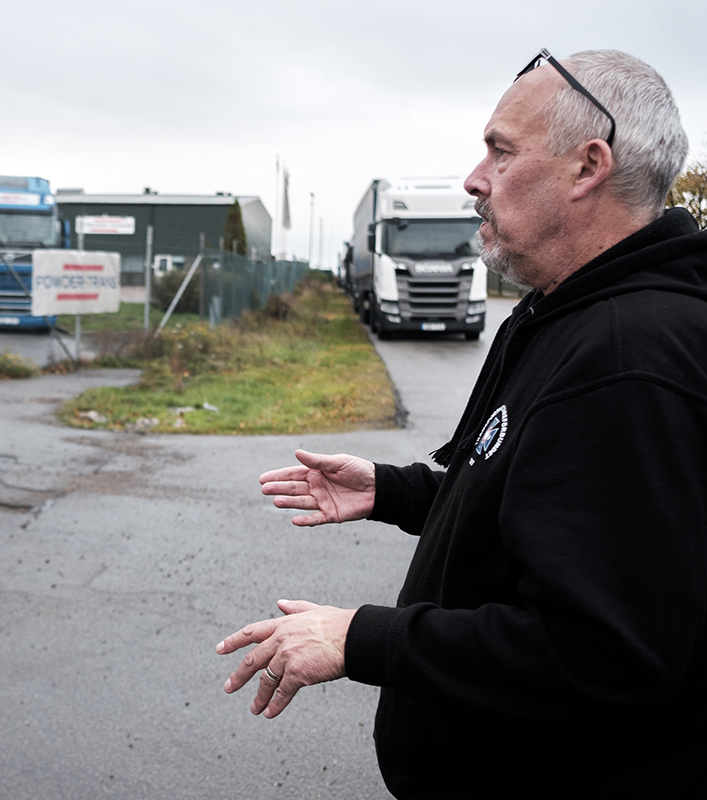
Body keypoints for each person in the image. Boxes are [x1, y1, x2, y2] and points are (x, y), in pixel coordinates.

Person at [218, 49, 707, 798]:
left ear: (588, 167)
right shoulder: (571, 315)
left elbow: (602, 649)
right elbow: (540, 505)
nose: (475, 179)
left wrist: (359, 637)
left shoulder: (624, 355)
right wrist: (396, 492)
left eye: (501, 151)